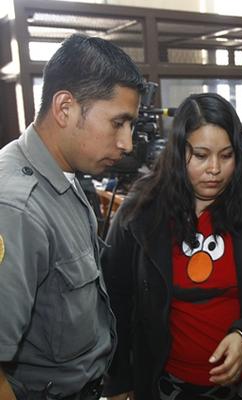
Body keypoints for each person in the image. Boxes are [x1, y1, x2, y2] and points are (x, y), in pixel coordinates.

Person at [101, 93, 242, 400]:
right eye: (200, 155)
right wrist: (119, 378)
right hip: (167, 383)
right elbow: (116, 296)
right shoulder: (142, 209)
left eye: (226, 155)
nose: (215, 169)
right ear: (178, 151)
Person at [0, 33, 143, 399]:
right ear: (65, 108)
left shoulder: (67, 176)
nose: (127, 143)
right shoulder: (17, 209)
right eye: (117, 123)